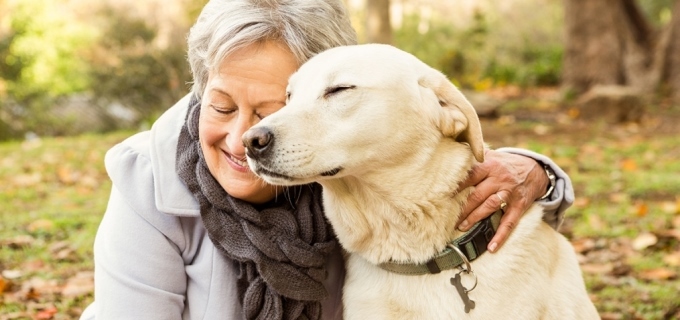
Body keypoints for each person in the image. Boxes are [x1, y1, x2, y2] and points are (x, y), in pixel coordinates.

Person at [80, 0, 574, 319]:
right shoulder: (147, 179)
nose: (246, 136)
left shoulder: (344, 173)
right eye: (222, 105)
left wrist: (538, 171)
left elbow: (423, 153)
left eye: (272, 109)